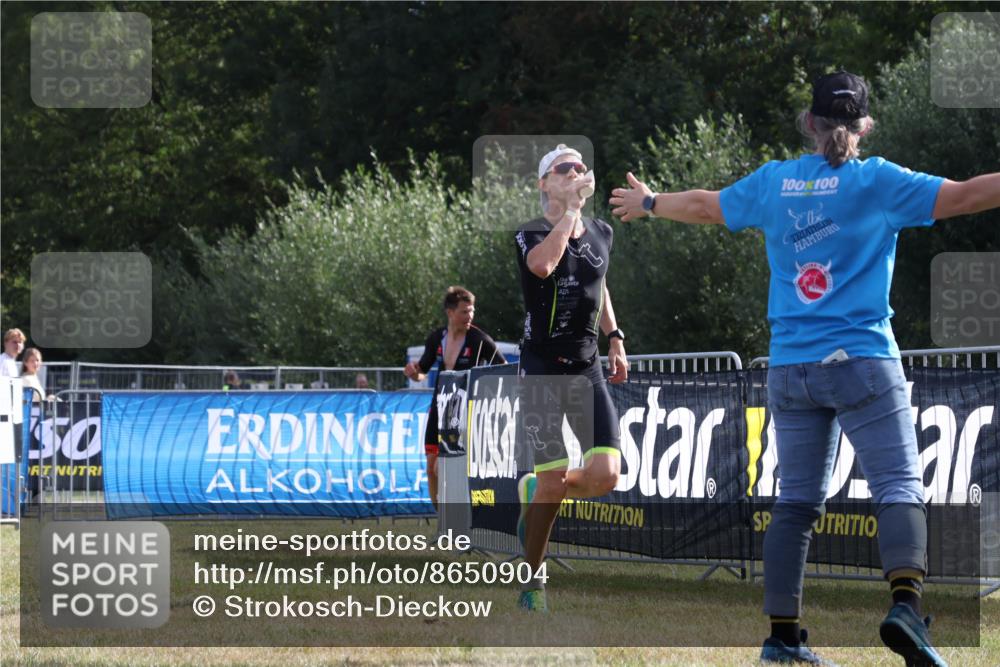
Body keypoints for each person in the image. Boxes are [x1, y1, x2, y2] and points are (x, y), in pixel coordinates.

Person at [610, 71, 999, 666]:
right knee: (898, 485)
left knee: (795, 503)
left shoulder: (776, 182)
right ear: (864, 125)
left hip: (791, 368)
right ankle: (904, 607)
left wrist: (651, 203)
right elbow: (970, 194)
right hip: (863, 360)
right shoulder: (878, 181)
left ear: (810, 123)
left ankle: (783, 640)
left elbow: (709, 207)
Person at [513, 144, 629, 613]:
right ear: (545, 183)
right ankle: (532, 583)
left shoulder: (601, 231)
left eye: (581, 167)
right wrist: (571, 213)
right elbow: (543, 265)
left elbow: (597, 286)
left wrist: (615, 336)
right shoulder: (531, 231)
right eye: (565, 169)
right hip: (541, 369)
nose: (577, 172)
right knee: (552, 479)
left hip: (586, 368)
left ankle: (536, 491)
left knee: (606, 475)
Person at [404, 286, 506, 510]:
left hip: (465, 410)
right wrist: (414, 373)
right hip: (439, 406)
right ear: (450, 312)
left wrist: (485, 389)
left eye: (472, 311)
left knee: (450, 468)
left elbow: (504, 369)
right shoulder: (436, 338)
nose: (469, 316)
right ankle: (442, 520)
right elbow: (422, 370)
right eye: (464, 312)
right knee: (431, 468)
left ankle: (463, 517)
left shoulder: (480, 339)